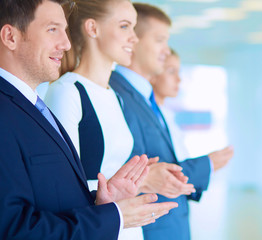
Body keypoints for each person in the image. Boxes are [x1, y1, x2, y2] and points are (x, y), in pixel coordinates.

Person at [0, 0, 177, 239]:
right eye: (52, 29)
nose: (66, 43)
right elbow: (14, 227)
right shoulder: (59, 94)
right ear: (10, 37)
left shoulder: (34, 106)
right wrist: (111, 216)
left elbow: (55, 190)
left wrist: (102, 200)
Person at [109, 3, 234, 240]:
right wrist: (206, 165)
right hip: (149, 229)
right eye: (159, 40)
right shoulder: (114, 93)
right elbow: (130, 170)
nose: (166, 51)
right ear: (133, 40)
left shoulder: (144, 98)